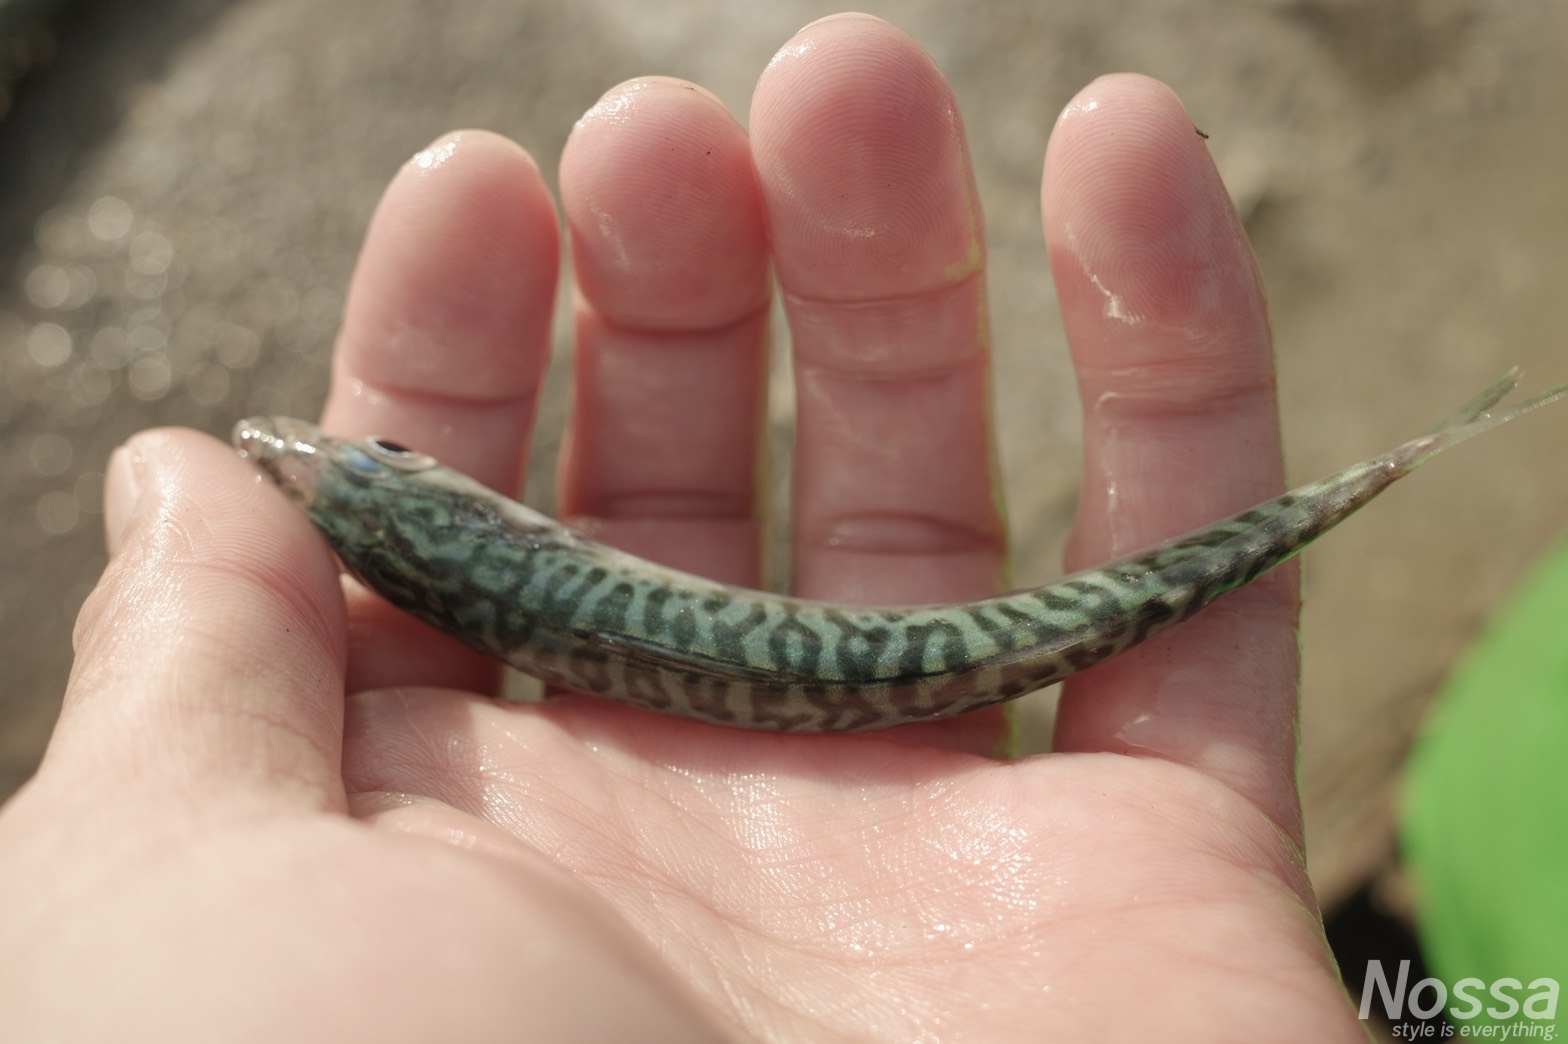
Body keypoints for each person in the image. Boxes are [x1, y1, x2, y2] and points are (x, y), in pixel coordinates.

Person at [0, 14, 1368, 1041]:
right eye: (363, 474)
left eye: (376, 462)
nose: (333, 456)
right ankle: (1343, 491)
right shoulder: (470, 561)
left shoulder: (459, 575)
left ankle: (1347, 492)